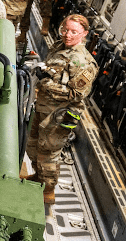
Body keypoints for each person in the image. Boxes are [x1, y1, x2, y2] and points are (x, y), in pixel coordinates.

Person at [25, 14, 98, 204]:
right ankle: (39, 178)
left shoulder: (83, 62)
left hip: (58, 116)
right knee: (32, 145)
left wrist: (46, 82)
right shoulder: (60, 46)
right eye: (65, 30)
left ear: (84, 34)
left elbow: (76, 95)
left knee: (48, 153)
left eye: (74, 32)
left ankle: (48, 191)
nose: (68, 35)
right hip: (43, 106)